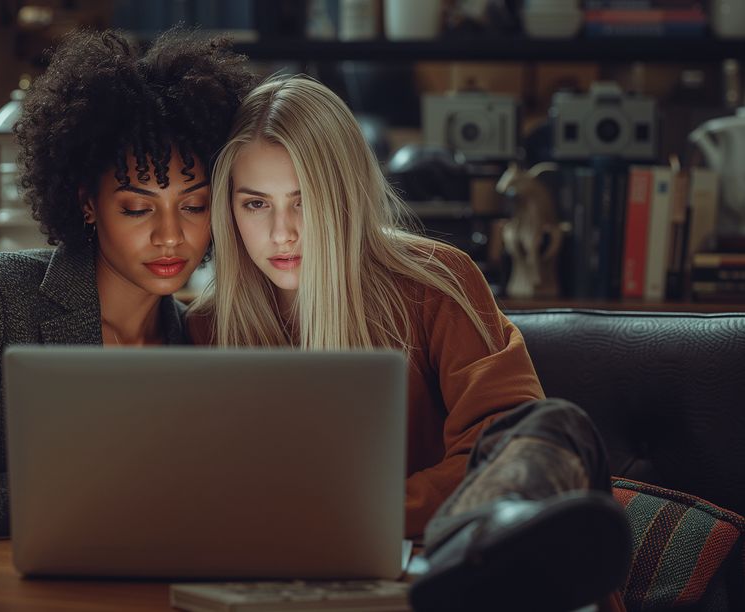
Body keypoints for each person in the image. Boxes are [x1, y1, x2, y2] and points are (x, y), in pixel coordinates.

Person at [187, 75, 631, 612]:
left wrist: (363, 514)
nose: (283, 232)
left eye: (304, 202)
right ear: (228, 210)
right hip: (292, 576)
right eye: (256, 205)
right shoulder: (205, 326)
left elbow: (496, 446)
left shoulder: (433, 281)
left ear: (344, 197)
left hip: (433, 559)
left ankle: (475, 566)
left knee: (554, 427)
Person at [0, 28, 259, 539]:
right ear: (87, 202)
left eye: (193, 206)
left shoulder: (198, 338)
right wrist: (51, 500)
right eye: (136, 208)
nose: (170, 236)